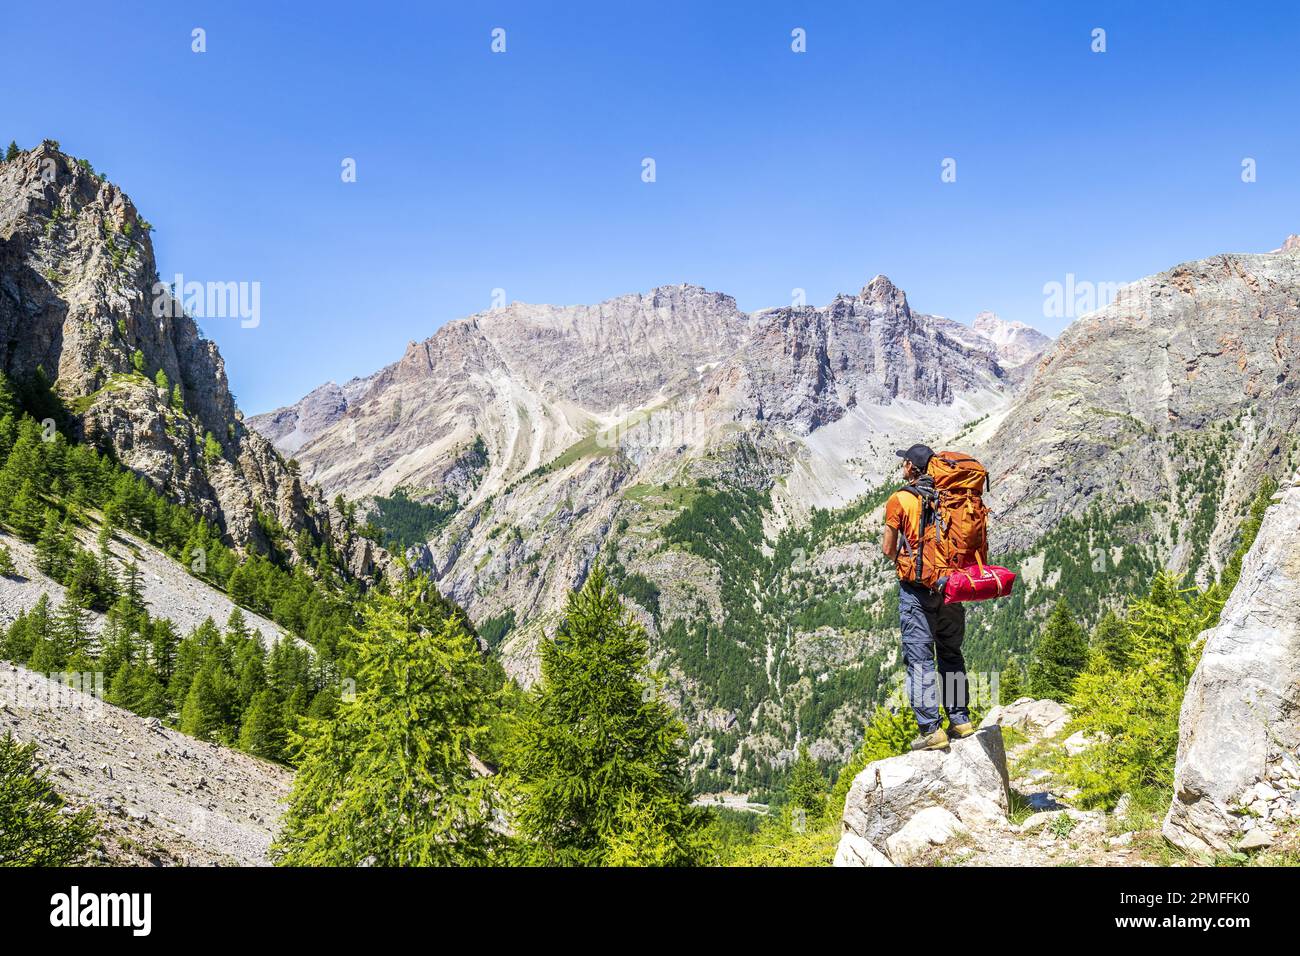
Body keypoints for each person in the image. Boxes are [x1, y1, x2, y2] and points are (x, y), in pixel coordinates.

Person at [881, 443, 973, 751]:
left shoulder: (901, 499)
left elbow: (888, 549)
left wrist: (904, 559)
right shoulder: (951, 497)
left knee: (920, 659)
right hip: (951, 589)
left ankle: (931, 730)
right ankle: (961, 720)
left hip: (918, 591)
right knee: (951, 654)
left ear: (910, 467)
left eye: (904, 462)